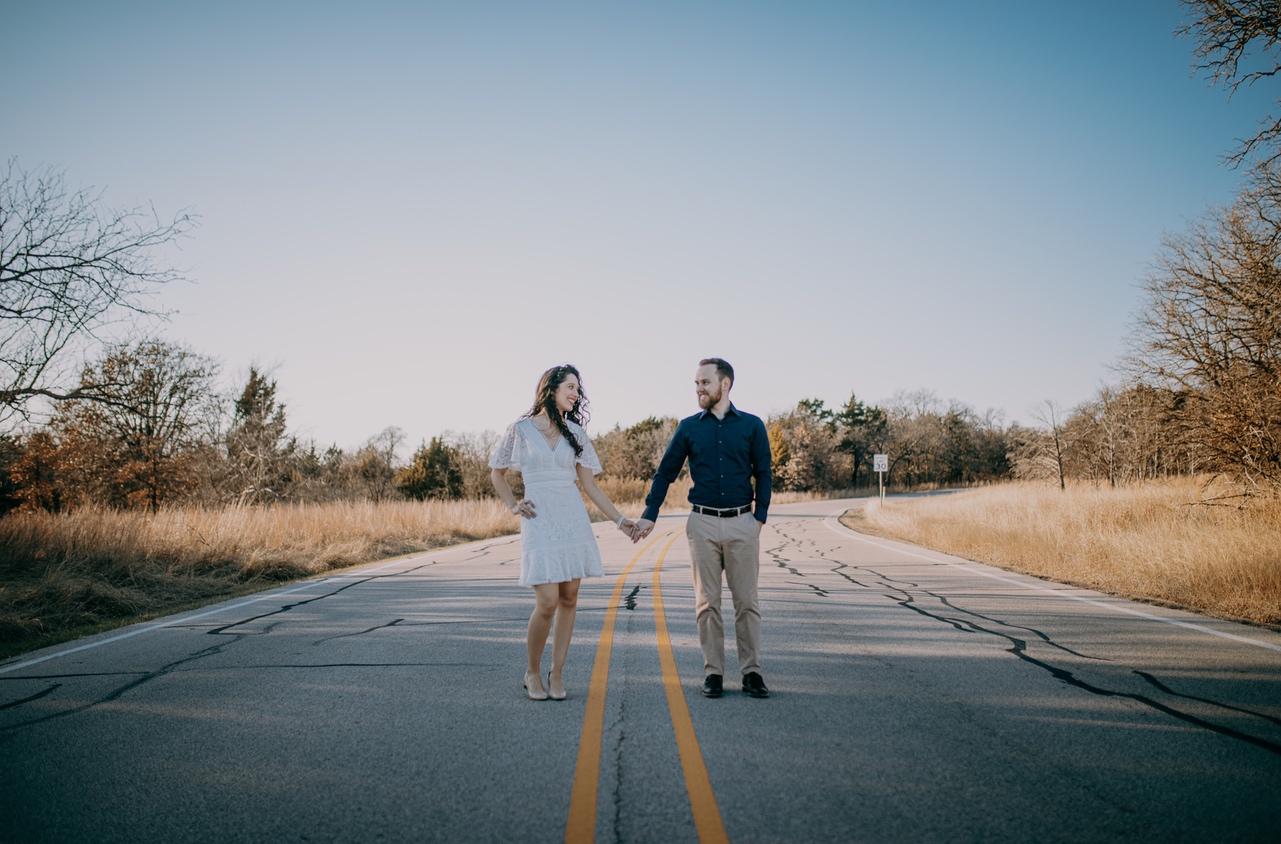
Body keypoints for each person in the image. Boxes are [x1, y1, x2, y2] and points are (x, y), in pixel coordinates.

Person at [490, 364, 637, 701]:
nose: (575, 394)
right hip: (539, 520)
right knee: (547, 601)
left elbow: (590, 485)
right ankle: (533, 671)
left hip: (572, 520)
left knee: (569, 599)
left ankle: (557, 674)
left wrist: (620, 520)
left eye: (577, 389)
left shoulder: (576, 433)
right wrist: (513, 505)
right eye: (570, 387)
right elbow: (497, 473)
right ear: (551, 388)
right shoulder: (520, 429)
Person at [633, 358, 772, 699]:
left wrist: (759, 518)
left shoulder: (752, 426)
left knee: (747, 603)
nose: (698, 389)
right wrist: (651, 512)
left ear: (725, 384)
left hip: (742, 523)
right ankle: (713, 673)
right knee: (706, 603)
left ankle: (751, 672)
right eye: (696, 383)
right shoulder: (688, 427)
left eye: (704, 383)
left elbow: (765, 472)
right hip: (703, 523)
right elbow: (665, 472)